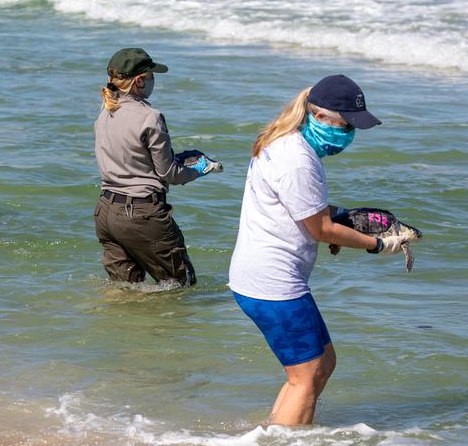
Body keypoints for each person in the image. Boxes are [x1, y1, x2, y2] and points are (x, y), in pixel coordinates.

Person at [227, 74, 404, 426]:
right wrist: (378, 244)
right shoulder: (296, 159)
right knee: (305, 376)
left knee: (323, 362)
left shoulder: (289, 144)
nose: (349, 134)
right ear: (319, 116)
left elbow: (309, 212)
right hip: (273, 284)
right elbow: (319, 229)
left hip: (268, 279)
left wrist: (342, 219)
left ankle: (272, 434)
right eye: (346, 125)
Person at [93, 47, 221, 286]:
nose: (154, 81)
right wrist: (201, 169)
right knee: (181, 286)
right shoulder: (150, 116)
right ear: (140, 81)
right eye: (152, 76)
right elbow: (169, 174)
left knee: (124, 290)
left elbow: (133, 160)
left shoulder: (105, 111)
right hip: (142, 214)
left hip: (106, 212)